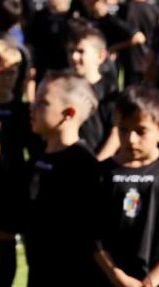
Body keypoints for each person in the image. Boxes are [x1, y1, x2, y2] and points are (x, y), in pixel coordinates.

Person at [26, 71, 106, 286]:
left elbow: (86, 234)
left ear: (68, 113)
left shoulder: (82, 165)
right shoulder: (39, 157)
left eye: (43, 102)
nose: (32, 107)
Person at [94, 86, 159, 287]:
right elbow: (92, 235)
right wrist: (115, 274)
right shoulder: (102, 174)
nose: (131, 139)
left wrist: (150, 281)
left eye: (141, 131)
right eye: (123, 129)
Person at [0, 40, 32, 287]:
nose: (7, 78)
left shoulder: (23, 110)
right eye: (1, 71)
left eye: (12, 72)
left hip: (11, 184)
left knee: (6, 242)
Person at [70, 27, 120, 159]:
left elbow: (116, 133)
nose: (74, 57)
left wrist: (97, 163)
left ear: (100, 56)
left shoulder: (110, 92)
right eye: (72, 51)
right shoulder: (66, 88)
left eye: (81, 52)